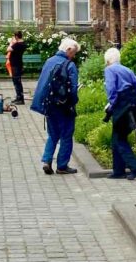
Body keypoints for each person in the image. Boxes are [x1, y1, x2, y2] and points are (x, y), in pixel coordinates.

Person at [31, 37, 81, 175]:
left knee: (53, 134)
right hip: (64, 107)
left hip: (49, 105)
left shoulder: (49, 61)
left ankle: (47, 160)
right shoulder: (69, 65)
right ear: (68, 50)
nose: (74, 56)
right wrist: (73, 103)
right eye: (74, 53)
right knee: (66, 134)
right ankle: (62, 166)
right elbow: (74, 88)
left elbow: (42, 84)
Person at [103, 47, 136, 180]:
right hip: (132, 106)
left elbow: (111, 90)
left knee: (119, 139)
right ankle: (118, 170)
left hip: (120, 107)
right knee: (118, 137)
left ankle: (135, 167)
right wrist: (131, 97)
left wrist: (112, 105)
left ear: (108, 60)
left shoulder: (109, 70)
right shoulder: (127, 69)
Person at [6, 30, 27, 105]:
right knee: (18, 81)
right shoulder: (23, 44)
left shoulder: (17, 45)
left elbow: (8, 49)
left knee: (16, 82)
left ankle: (20, 98)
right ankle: (19, 97)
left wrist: (11, 42)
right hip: (18, 64)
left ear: (16, 36)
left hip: (15, 65)